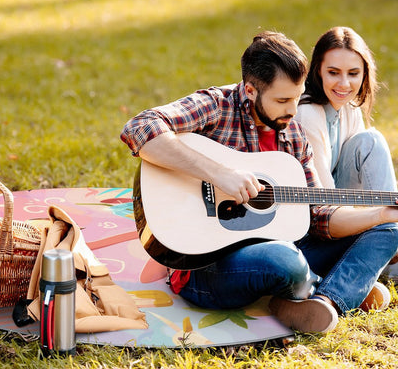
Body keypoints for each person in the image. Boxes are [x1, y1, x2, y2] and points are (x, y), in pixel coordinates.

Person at [121, 31, 398, 334]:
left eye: (297, 97)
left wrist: (379, 214)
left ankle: (327, 300)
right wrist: (218, 173)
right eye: (282, 100)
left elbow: (319, 214)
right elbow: (140, 127)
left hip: (284, 247)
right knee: (285, 262)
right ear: (251, 90)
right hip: (205, 265)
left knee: (389, 230)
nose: (293, 111)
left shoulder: (292, 133)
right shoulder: (217, 105)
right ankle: (337, 284)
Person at [295, 26, 398, 285]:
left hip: (341, 207)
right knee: (371, 140)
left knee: (369, 140)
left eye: (353, 74)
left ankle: (389, 241)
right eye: (333, 73)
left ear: (364, 74)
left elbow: (365, 176)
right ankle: (387, 246)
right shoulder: (308, 113)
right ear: (317, 70)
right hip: (314, 221)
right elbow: (324, 202)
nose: (344, 84)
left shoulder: (348, 108)